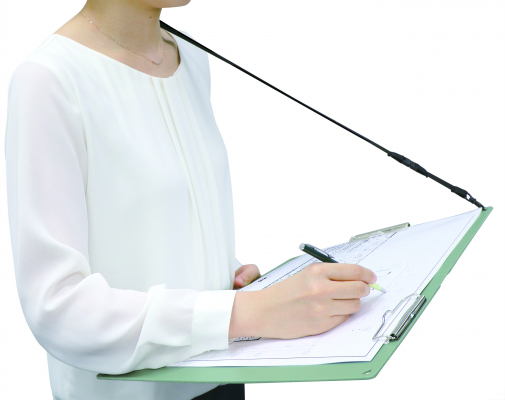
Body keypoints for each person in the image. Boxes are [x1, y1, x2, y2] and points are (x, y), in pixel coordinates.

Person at [4, 0, 377, 399]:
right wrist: (247, 312)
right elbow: (58, 309)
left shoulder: (190, 59)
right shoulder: (48, 80)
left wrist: (230, 277)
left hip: (222, 381)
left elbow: (153, 220)